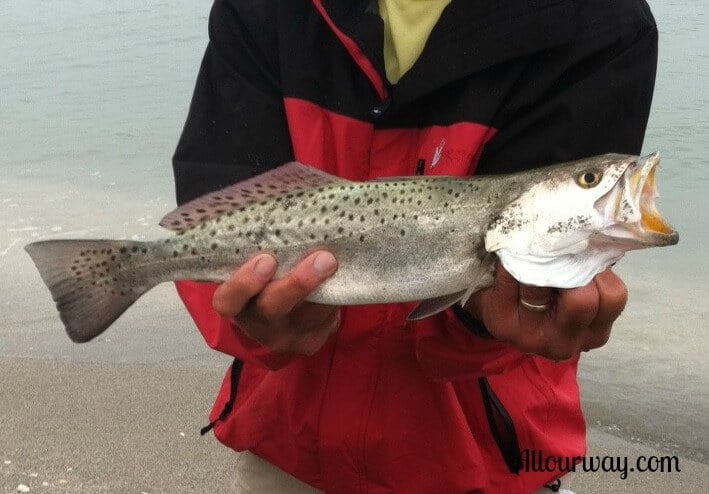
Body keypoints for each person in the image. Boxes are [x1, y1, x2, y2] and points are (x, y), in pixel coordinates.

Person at [171, 0, 657, 492]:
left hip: (486, 461)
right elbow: (213, 210)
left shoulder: (600, 19)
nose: (608, 183)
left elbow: (536, 275)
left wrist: (490, 320)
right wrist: (252, 322)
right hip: (286, 443)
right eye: (592, 178)